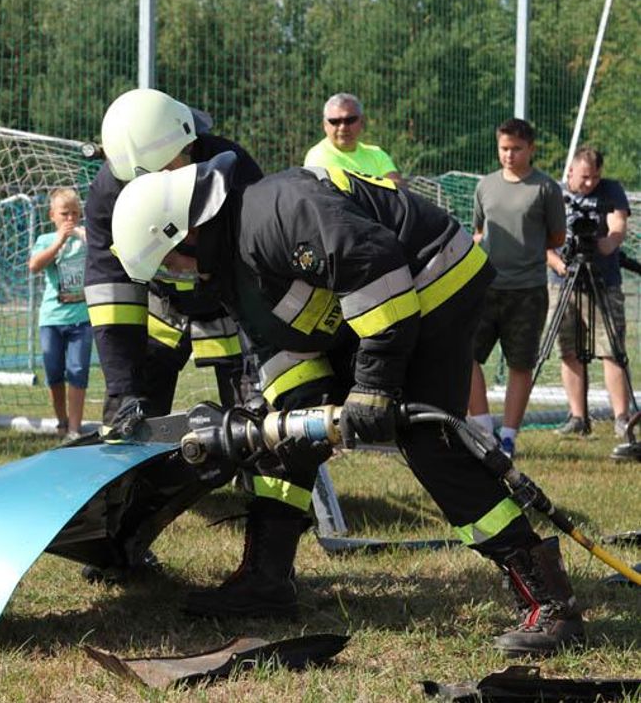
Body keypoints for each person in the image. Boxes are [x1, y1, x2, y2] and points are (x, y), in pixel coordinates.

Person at [110, 153, 585, 656]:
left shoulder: (276, 212)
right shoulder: (228, 261)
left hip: (433, 282)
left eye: (167, 263)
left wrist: (374, 386)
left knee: (427, 441)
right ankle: (266, 581)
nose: (172, 276)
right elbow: (279, 342)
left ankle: (550, 603)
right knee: (283, 435)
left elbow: (375, 265)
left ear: (185, 234)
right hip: (375, 308)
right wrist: (289, 416)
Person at [89, 88, 262, 432]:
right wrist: (123, 390)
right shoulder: (109, 193)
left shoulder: (232, 171)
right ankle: (137, 483)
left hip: (234, 308)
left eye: (167, 170)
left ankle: (268, 484)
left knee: (257, 417)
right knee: (131, 419)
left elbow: (259, 273)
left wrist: (261, 369)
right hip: (162, 312)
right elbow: (111, 295)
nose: (154, 187)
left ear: (190, 144)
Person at [469, 119, 566, 457]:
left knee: (520, 364)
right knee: (464, 354)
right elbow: (479, 231)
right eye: (504, 148)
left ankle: (508, 436)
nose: (509, 155)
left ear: (531, 149)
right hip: (486, 287)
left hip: (528, 291)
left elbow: (556, 237)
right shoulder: (485, 186)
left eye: (516, 149)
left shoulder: (546, 189)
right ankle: (482, 429)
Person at [546, 147, 633, 443]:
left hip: (603, 280)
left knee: (611, 349)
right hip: (562, 280)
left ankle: (622, 417)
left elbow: (618, 225)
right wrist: (557, 262)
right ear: (570, 171)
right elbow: (540, 236)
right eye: (584, 178)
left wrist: (607, 243)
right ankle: (577, 417)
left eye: (595, 177)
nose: (589, 184)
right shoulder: (554, 193)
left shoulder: (611, 191)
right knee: (568, 349)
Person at [28, 187, 92, 439]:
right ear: (52, 215)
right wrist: (59, 241)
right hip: (52, 318)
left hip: (82, 319)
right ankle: (61, 421)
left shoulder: (85, 239)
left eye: (75, 214)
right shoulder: (45, 240)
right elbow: (34, 266)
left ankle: (74, 429)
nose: (70, 219)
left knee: (77, 371)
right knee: (54, 372)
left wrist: (83, 235)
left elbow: (104, 251)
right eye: (64, 214)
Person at [303, 93, 402, 183]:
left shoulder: (377, 154)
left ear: (362, 122)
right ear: (325, 125)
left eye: (350, 120)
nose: (343, 127)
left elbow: (399, 189)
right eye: (335, 121)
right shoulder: (317, 157)